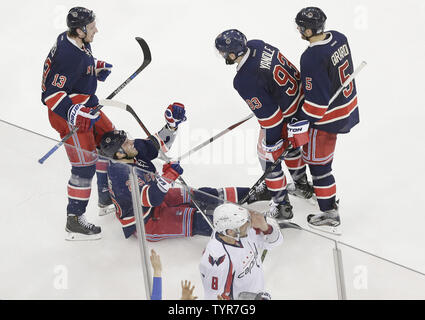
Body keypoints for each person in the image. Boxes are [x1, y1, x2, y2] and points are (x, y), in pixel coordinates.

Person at [98, 103, 272, 240]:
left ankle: (254, 194)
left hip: (157, 198)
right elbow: (152, 197)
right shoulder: (122, 176)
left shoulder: (129, 153)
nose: (131, 142)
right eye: (126, 143)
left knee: (201, 195)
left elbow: (156, 145)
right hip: (146, 221)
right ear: (119, 154)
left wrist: (171, 125)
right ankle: (250, 227)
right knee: (196, 219)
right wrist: (168, 177)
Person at [215, 29, 314, 223]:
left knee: (269, 157)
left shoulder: (243, 80)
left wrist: (272, 144)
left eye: (224, 52)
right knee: (291, 149)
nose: (222, 55)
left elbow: (271, 118)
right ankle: (302, 185)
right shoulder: (257, 44)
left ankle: (281, 205)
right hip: (301, 105)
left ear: (233, 54)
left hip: (284, 117)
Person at [41, 7, 115, 241]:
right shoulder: (67, 55)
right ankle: (74, 220)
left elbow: (81, 63)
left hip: (86, 106)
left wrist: (94, 68)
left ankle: (105, 196)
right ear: (80, 30)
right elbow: (50, 95)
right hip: (66, 115)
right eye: (92, 27)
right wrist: (73, 112)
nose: (96, 30)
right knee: (84, 166)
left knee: (111, 141)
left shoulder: (76, 42)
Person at [294, 7, 360, 234]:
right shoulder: (339, 37)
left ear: (309, 29)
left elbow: (317, 105)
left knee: (319, 166)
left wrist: (298, 120)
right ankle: (326, 198)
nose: (299, 30)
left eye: (301, 27)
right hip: (346, 108)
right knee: (321, 164)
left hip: (325, 120)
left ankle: (330, 213)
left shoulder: (311, 57)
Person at [199, 203, 283, 300]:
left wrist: (265, 227)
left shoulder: (242, 233)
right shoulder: (217, 259)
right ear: (230, 231)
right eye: (244, 223)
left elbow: (275, 243)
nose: (249, 224)